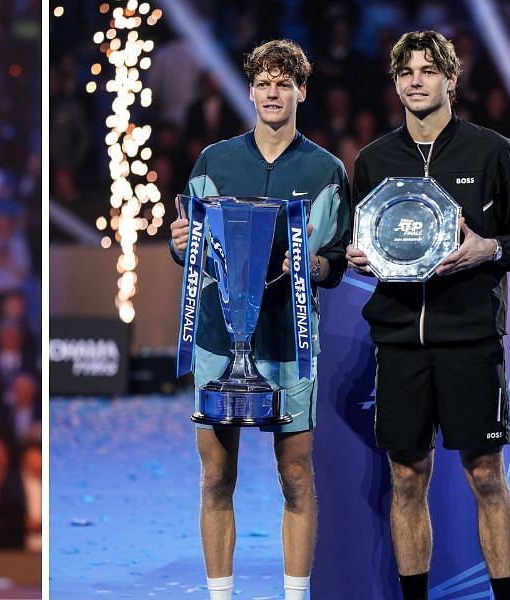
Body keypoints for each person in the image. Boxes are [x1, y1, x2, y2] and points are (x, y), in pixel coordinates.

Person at [345, 30, 510, 600]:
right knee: (407, 477)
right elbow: (366, 247)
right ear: (396, 82)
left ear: (451, 78)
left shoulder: (492, 151)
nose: (416, 81)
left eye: (429, 70)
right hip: (400, 340)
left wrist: (489, 248)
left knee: (486, 476)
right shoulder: (374, 161)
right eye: (406, 72)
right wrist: (361, 258)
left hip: (469, 340)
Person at [169, 39, 350, 600]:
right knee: (216, 475)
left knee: (295, 475)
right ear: (249, 92)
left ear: (301, 91)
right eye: (263, 82)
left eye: (284, 82)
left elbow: (337, 262)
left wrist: (312, 262)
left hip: (289, 338)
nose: (273, 92)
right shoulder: (214, 162)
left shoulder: (326, 170)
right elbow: (192, 249)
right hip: (219, 341)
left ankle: (294, 596)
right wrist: (179, 244)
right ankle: (220, 595)